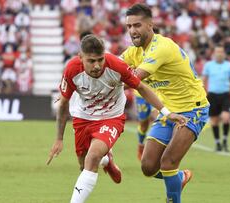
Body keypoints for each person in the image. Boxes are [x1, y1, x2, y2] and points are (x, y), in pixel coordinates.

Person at [46, 34, 187, 203]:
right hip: (83, 117)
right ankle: (107, 160)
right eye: (91, 61)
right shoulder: (71, 70)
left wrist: (166, 112)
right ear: (80, 58)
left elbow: (141, 87)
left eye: (100, 59)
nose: (97, 66)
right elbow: (63, 105)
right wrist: (59, 139)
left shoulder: (116, 65)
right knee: (84, 166)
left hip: (111, 117)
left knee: (92, 158)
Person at [121, 4, 210, 203]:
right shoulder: (133, 52)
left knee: (168, 162)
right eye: (129, 26)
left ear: (150, 25)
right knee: (148, 167)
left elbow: (134, 78)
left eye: (137, 25)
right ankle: (179, 178)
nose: (132, 31)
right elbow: (113, 67)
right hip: (168, 112)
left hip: (192, 109)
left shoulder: (162, 47)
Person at [202, 45, 230, 152]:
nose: (219, 53)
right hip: (212, 95)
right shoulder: (208, 65)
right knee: (214, 120)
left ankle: (225, 140)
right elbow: (204, 79)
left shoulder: (229, 66)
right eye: (217, 51)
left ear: (224, 53)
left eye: (221, 52)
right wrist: (203, 93)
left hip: (225, 95)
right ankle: (217, 142)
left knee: (226, 117)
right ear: (214, 53)